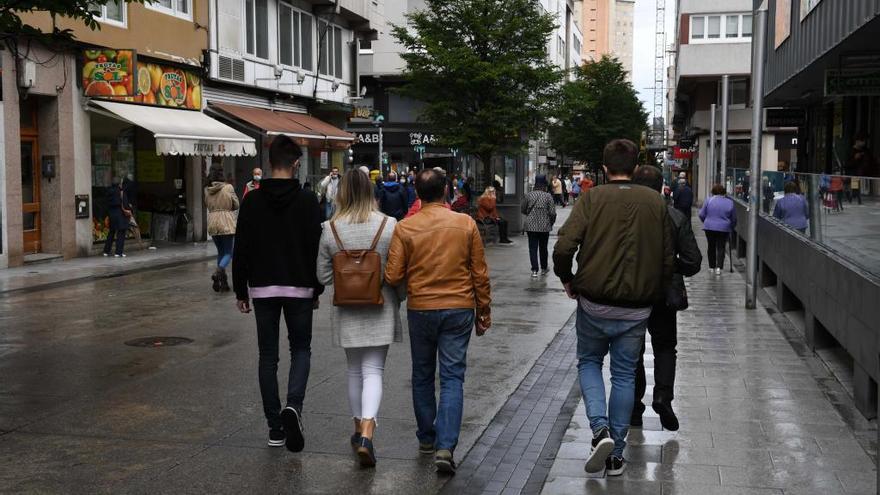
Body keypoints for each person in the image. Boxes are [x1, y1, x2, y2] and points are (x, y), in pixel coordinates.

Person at [552, 139, 674, 477]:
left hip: (593, 302)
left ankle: (599, 428)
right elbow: (667, 258)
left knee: (589, 362)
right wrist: (657, 291)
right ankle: (616, 455)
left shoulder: (592, 198)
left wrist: (567, 277)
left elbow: (564, 246)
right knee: (624, 374)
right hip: (636, 308)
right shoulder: (655, 202)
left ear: (605, 169)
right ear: (634, 168)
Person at [385, 168, 492, 474]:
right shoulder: (465, 223)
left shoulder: (405, 228)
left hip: (421, 308)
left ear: (417, 193)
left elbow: (392, 275)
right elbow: (479, 273)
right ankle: (446, 446)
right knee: (452, 377)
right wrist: (483, 311)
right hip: (459, 307)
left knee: (421, 374)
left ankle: (427, 438)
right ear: (446, 190)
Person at [232, 135, 323, 452]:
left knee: (268, 356)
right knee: (301, 349)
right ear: (296, 164)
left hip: (263, 287)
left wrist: (240, 289)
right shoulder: (308, 201)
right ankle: (293, 406)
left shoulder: (253, 201)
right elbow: (316, 248)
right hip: (299, 286)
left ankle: (275, 428)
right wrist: (317, 287)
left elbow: (240, 247)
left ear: (269, 165)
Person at [316, 169, 402, 468]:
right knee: (374, 370)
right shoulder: (390, 225)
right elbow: (397, 272)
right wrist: (395, 294)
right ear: (371, 192)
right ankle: (368, 430)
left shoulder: (330, 228)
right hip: (381, 305)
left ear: (341, 194)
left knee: (354, 370)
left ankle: (357, 429)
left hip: (347, 308)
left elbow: (323, 275)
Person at [631, 166, 702, 432]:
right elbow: (694, 261)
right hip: (664, 293)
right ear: (662, 186)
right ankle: (662, 396)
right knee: (664, 347)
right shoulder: (674, 216)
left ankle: (634, 407)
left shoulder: (626, 215)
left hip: (633, 292)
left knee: (633, 350)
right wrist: (671, 266)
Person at [204, 163, 240, 292]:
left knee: (221, 252)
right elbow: (236, 204)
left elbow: (207, 205)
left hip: (213, 222)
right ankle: (218, 272)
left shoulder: (207, 189)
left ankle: (223, 282)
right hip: (226, 222)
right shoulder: (228, 187)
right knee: (229, 253)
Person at [521, 175, 556, 277]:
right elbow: (552, 213)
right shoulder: (548, 196)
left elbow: (523, 209)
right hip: (544, 226)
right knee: (543, 248)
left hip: (531, 226)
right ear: (544, 185)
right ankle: (544, 268)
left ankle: (534, 270)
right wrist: (551, 222)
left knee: (532, 248)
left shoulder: (529, 195)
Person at [699, 184, 737, 275]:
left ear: (713, 192)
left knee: (711, 246)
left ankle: (711, 267)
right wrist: (731, 226)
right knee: (721, 247)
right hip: (723, 228)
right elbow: (734, 218)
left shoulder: (709, 200)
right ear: (724, 192)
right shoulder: (729, 202)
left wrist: (706, 221)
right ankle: (719, 267)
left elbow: (701, 214)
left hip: (709, 227)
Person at [102, 179, 133, 258]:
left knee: (111, 232)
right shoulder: (121, 192)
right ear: (119, 184)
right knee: (121, 233)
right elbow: (125, 204)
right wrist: (130, 208)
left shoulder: (108, 192)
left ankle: (106, 251)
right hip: (120, 214)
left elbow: (105, 203)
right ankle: (118, 252)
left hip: (111, 214)